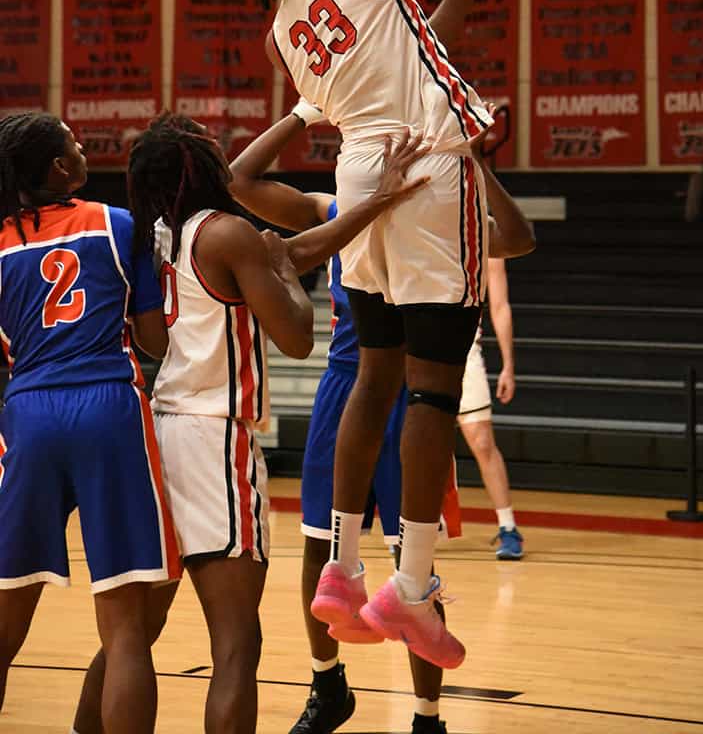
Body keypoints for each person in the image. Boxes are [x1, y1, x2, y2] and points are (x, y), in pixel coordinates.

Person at [222, 0, 496, 670]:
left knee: (374, 368)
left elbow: (399, 44)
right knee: (434, 373)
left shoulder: (288, 32)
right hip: (422, 169)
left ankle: (338, 569)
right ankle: (413, 587)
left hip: (370, 168)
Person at [73, 112, 430, 734]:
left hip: (156, 432)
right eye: (212, 151)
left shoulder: (152, 236)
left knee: (133, 635)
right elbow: (293, 333)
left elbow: (291, 251)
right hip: (216, 442)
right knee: (236, 645)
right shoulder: (230, 234)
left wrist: (376, 204)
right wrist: (286, 275)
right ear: (200, 168)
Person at [229, 91, 535, 734]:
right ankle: (328, 685)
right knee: (319, 553)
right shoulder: (335, 207)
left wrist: (473, 162)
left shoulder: (445, 211)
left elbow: (517, 237)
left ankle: (428, 717)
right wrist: (306, 110)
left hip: (409, 398)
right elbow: (240, 181)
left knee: (412, 570)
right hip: (348, 387)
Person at [0, 112, 181, 734]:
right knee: (127, 630)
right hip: (109, 407)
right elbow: (155, 341)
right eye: (74, 145)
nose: (82, 151)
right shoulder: (118, 224)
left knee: (4, 620)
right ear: (58, 168)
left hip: (28, 414)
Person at [458, 257, 525, 560]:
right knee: (415, 446)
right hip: (419, 351)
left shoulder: (486, 236)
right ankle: (407, 529)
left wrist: (508, 365)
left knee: (483, 442)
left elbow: (499, 306)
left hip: (465, 350)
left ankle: (509, 528)